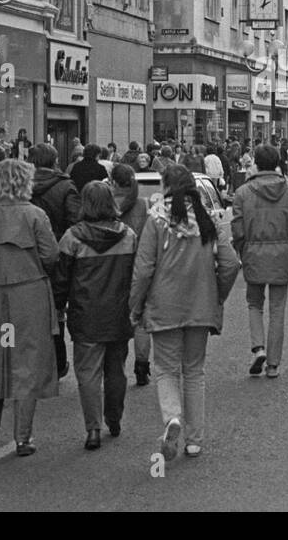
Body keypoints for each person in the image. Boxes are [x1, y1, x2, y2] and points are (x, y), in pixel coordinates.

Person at [129, 165, 240, 459]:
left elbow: (143, 270)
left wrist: (135, 305)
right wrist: (217, 294)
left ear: (165, 186)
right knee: (194, 372)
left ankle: (172, 418)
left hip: (164, 305)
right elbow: (230, 263)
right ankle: (194, 440)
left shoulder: (156, 219)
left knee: (166, 369)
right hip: (200, 305)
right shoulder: (207, 220)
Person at [0, 159, 60, 455]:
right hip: (29, 294)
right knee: (26, 361)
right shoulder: (35, 214)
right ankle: (23, 437)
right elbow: (51, 254)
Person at [53, 182, 137, 451]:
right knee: (116, 370)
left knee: (88, 373)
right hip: (119, 313)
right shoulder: (128, 235)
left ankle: (93, 428)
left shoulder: (72, 238)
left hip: (85, 314)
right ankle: (114, 417)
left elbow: (61, 281)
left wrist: (57, 309)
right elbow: (136, 276)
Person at [232, 145, 288, 379]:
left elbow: (237, 229)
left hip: (253, 252)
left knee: (254, 303)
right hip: (282, 253)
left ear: (256, 163)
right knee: (278, 309)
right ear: (277, 163)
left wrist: (243, 249)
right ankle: (273, 364)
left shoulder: (243, 193)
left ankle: (258, 348)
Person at [29, 143, 80, 378]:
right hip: (58, 254)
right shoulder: (65, 186)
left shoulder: (21, 187)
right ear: (55, 160)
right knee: (57, 308)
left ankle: (19, 358)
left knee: (22, 312)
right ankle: (58, 361)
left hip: (26, 255)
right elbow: (75, 222)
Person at [109, 163, 152, 386]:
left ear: (113, 181)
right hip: (137, 266)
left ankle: (116, 367)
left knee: (117, 319)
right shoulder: (143, 205)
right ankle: (142, 365)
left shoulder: (103, 203)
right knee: (141, 318)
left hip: (110, 268)